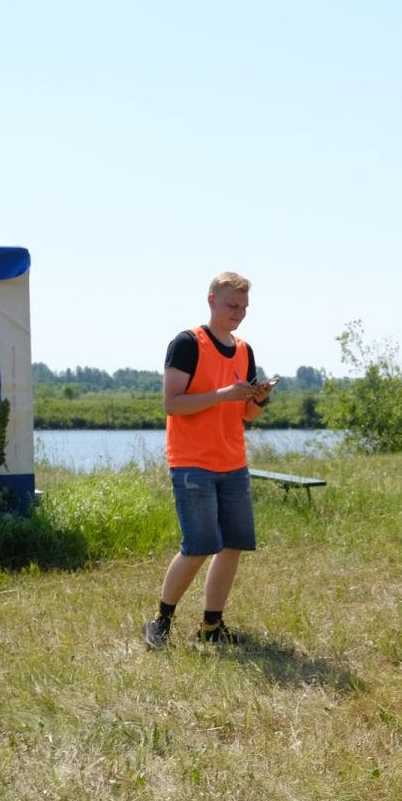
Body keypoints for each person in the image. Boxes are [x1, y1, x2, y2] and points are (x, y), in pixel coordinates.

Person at [143, 271, 277, 648]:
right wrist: (222, 394)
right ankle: (161, 621)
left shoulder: (245, 350)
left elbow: (247, 416)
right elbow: (172, 403)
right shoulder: (187, 343)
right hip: (192, 463)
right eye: (232, 304)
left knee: (232, 544)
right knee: (199, 545)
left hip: (232, 461)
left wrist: (259, 397)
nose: (239, 312)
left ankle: (211, 627)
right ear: (211, 301)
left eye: (244, 307)